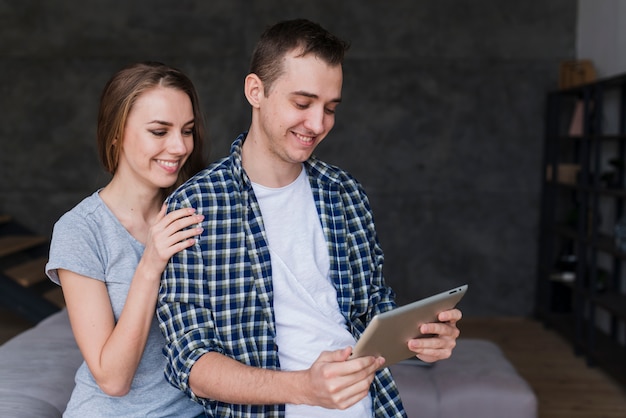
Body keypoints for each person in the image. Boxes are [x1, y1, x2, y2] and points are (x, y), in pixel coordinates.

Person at [157, 19, 462, 417]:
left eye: (330, 108)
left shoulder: (345, 192)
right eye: (302, 104)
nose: (318, 124)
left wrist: (421, 339)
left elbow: (373, 312)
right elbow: (189, 361)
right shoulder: (195, 206)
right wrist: (304, 388)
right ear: (256, 91)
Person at [46, 61, 207, 417]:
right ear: (116, 133)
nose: (179, 147)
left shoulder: (199, 212)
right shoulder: (80, 230)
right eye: (159, 131)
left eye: (187, 130)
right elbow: (113, 380)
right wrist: (151, 264)